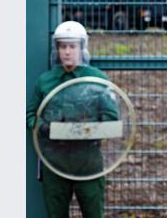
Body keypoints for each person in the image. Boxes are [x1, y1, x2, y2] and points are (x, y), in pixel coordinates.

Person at [26, 21, 117, 218]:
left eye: (72, 46)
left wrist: (82, 131)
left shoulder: (97, 80)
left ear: (82, 48)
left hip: (88, 165)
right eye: (63, 46)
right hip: (54, 165)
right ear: (56, 49)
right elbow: (30, 115)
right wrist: (43, 128)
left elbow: (112, 123)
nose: (67, 52)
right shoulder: (45, 80)